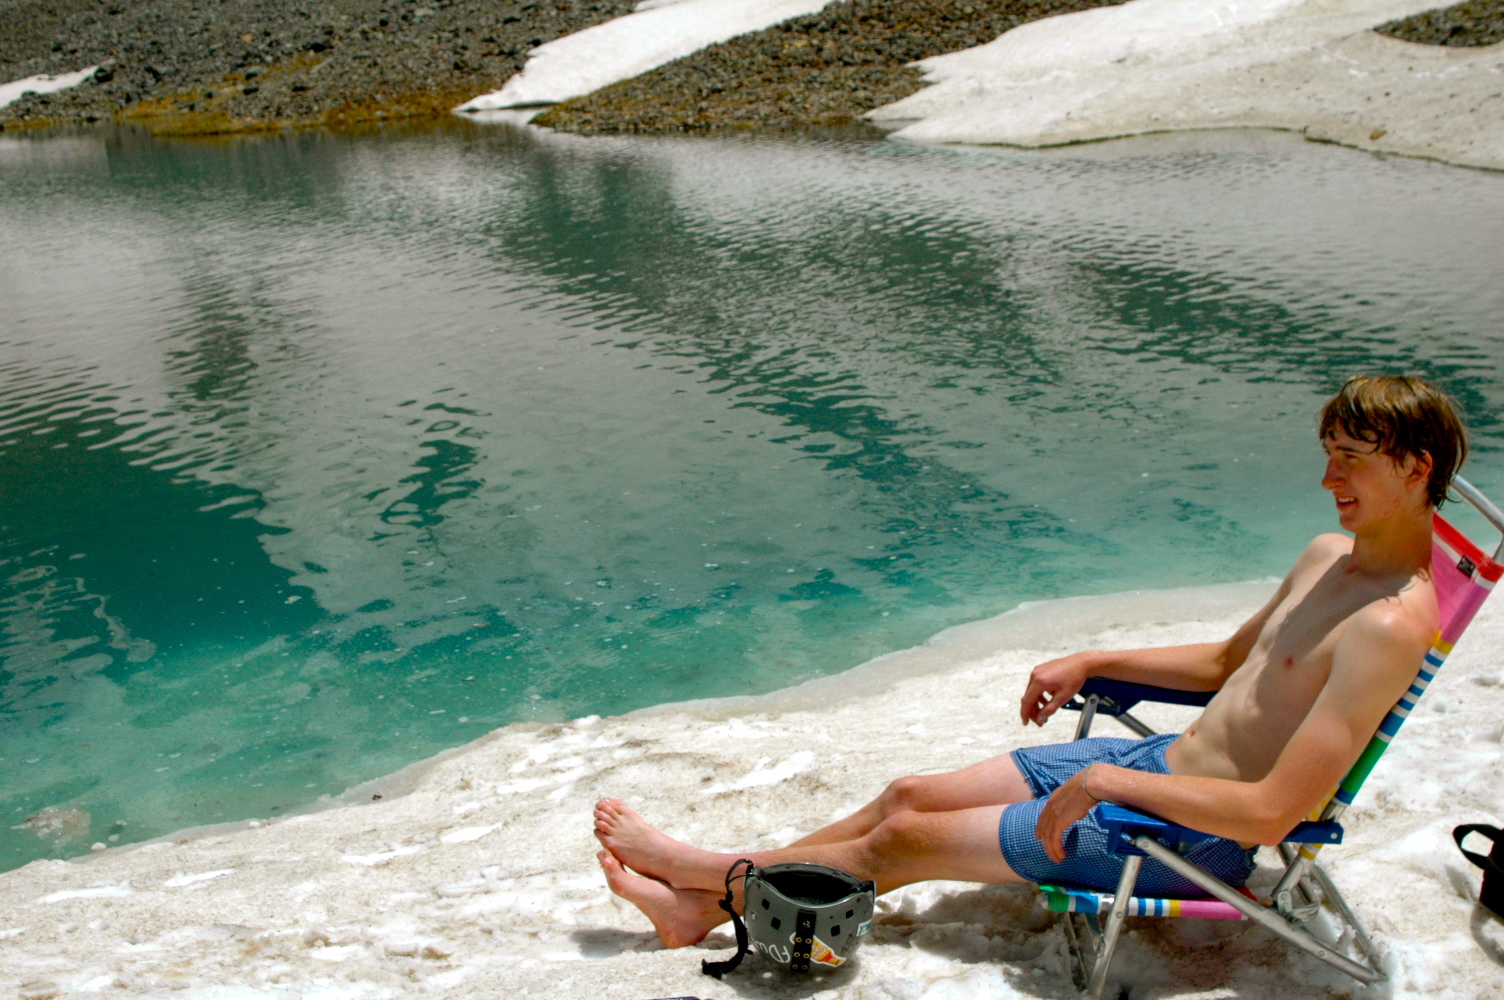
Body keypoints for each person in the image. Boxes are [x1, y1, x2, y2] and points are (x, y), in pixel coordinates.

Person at [592, 374, 1468, 948]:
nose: (1328, 481)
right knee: (905, 795)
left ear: (1416, 466)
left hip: (1192, 834)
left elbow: (1278, 809)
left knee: (903, 841)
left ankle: (710, 880)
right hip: (1158, 766)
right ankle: (704, 906)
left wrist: (1107, 787)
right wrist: (1092, 658)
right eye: (1328, 458)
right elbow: (1227, 666)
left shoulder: (1391, 626)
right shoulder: (1326, 556)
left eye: (1350, 463)